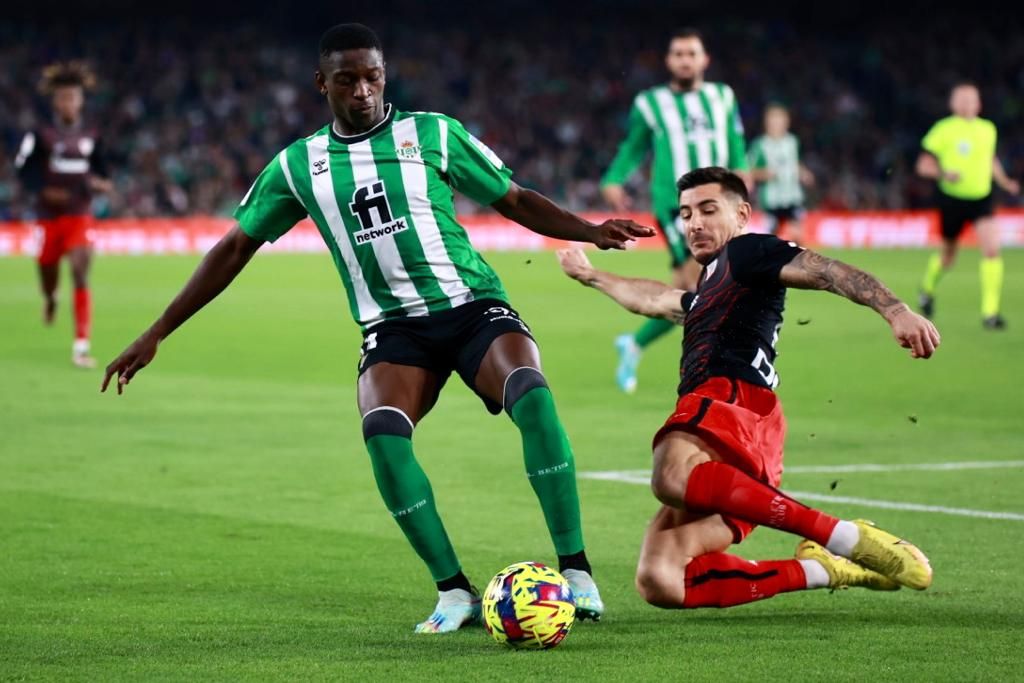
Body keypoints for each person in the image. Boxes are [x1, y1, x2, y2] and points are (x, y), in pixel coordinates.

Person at [102, 23, 653, 633]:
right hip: (393, 329)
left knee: (531, 393)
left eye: (372, 77)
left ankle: (576, 571)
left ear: (384, 76)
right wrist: (158, 330)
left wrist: (590, 231)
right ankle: (454, 591)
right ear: (322, 84)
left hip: (471, 304)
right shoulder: (298, 166)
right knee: (383, 433)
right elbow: (234, 248)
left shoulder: (434, 133)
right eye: (347, 80)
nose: (362, 91)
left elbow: (515, 200)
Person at [558, 167, 938, 610]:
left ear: (741, 214)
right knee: (660, 578)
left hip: (733, 401)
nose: (694, 223)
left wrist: (896, 310)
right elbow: (656, 299)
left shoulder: (748, 251)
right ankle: (824, 569)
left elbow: (828, 271)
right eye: (686, 214)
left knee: (671, 473)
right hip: (746, 428)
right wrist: (590, 276)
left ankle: (847, 538)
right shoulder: (713, 282)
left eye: (707, 210)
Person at [600, 27, 749, 393]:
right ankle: (708, 368)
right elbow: (634, 146)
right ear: (669, 61)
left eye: (691, 53)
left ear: (704, 59)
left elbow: (735, 142)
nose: (685, 60)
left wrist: (742, 179)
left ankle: (636, 344)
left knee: (700, 286)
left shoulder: (722, 96)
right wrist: (614, 178)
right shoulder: (650, 103)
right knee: (699, 282)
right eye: (679, 54)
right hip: (676, 206)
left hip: (720, 204)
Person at [15, 61, 113, 367]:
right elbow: (23, 170)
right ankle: (50, 298)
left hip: (79, 214)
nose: (68, 102)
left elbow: (103, 172)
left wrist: (101, 184)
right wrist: (44, 191)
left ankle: (81, 346)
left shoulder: (91, 135)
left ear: (80, 101)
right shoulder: (41, 135)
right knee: (48, 272)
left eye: (73, 97)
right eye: (62, 98)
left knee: (81, 271)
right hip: (48, 217)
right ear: (55, 102)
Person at [916, 82, 1020, 329]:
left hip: (981, 199)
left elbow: (990, 159)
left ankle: (990, 313)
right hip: (952, 199)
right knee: (948, 258)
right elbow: (923, 165)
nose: (966, 104)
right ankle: (927, 289)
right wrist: (943, 174)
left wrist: (1005, 181)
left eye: (971, 99)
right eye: (961, 99)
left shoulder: (987, 129)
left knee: (992, 250)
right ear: (952, 104)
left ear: (979, 103)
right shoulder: (943, 129)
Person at [748, 103, 815, 242]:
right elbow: (749, 171)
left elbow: (794, 162)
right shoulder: (760, 145)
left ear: (786, 122)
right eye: (773, 121)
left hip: (792, 196)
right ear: (766, 123)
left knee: (798, 235)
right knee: (772, 237)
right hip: (771, 200)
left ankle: (798, 256)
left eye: (779, 120)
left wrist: (803, 172)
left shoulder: (792, 142)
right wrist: (763, 173)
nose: (776, 124)